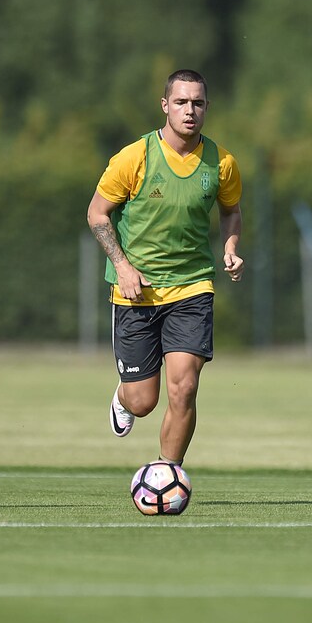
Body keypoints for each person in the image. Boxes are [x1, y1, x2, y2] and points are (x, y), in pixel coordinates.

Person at [86, 69, 244, 468]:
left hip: (192, 287)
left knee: (185, 387)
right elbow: (97, 214)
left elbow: (231, 210)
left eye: (197, 103)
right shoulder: (134, 157)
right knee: (143, 401)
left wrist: (230, 247)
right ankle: (124, 397)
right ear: (165, 105)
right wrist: (122, 266)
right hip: (136, 291)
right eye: (181, 102)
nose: (190, 111)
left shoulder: (222, 163)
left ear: (207, 107)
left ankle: (166, 475)